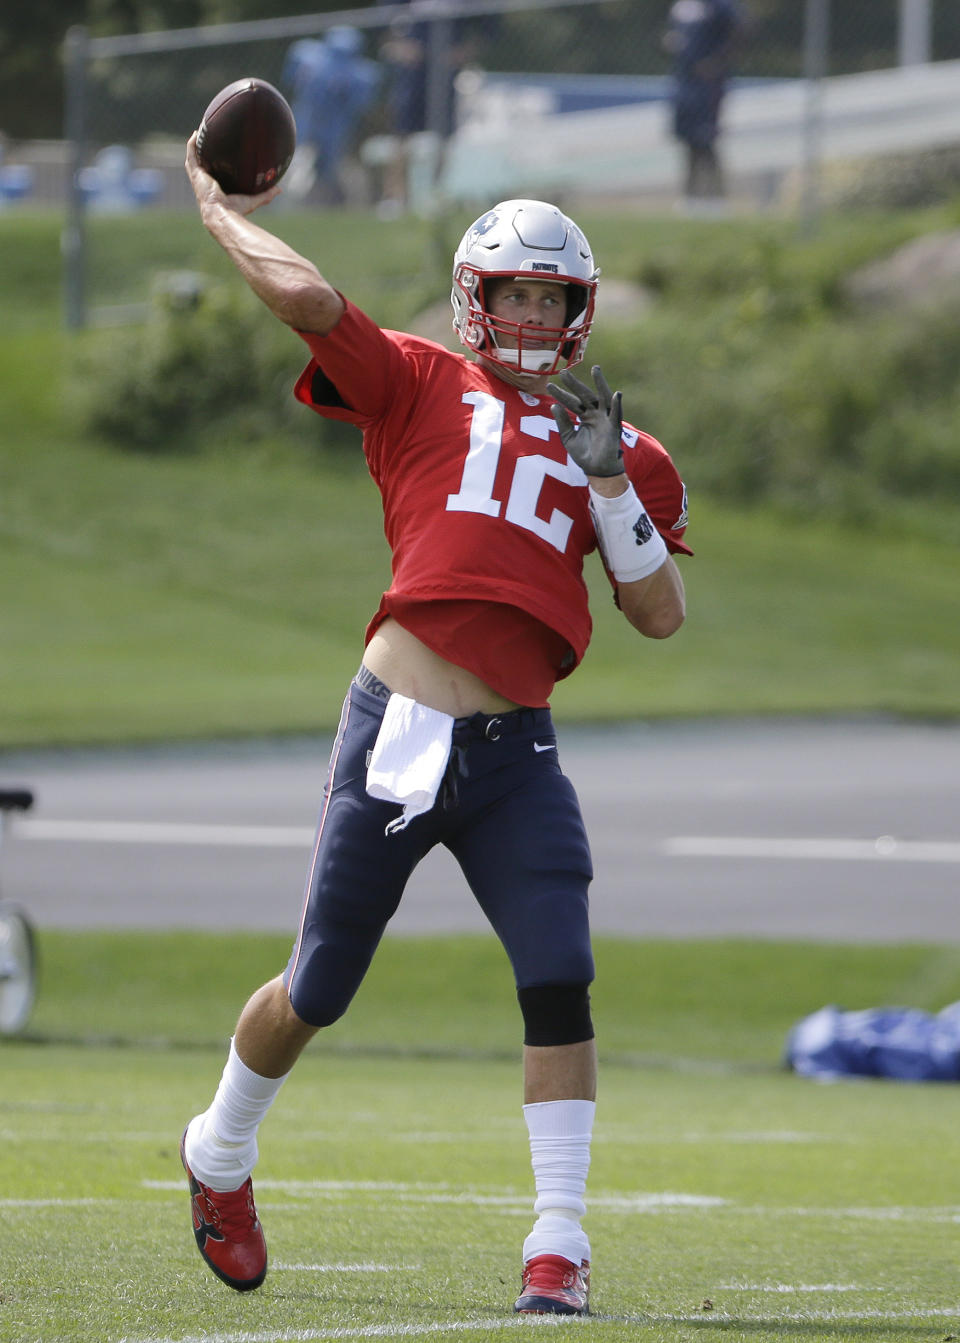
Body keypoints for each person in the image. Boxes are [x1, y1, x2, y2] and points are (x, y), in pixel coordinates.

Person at [181, 130, 691, 1316]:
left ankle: (557, 1242)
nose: (527, 311)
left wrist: (610, 483)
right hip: (401, 723)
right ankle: (218, 1150)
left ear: (578, 309)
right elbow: (308, 295)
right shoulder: (416, 379)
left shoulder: (624, 450)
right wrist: (213, 204)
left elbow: (660, 613)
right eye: (511, 290)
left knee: (560, 973)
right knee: (319, 983)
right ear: (475, 296)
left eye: (547, 295)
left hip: (519, 752)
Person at [281, 27, 380, 206]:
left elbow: (361, 105)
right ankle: (288, 205)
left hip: (336, 127)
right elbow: (291, 82)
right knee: (300, 165)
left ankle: (353, 206)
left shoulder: (362, 74)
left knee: (335, 170)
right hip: (307, 121)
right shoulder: (308, 57)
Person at [663, 0, 746, 206]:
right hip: (683, 81)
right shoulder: (682, 6)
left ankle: (716, 197)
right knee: (688, 140)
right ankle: (691, 197)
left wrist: (717, 62)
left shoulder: (719, 6)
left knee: (706, 138)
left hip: (708, 84)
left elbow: (740, 31)